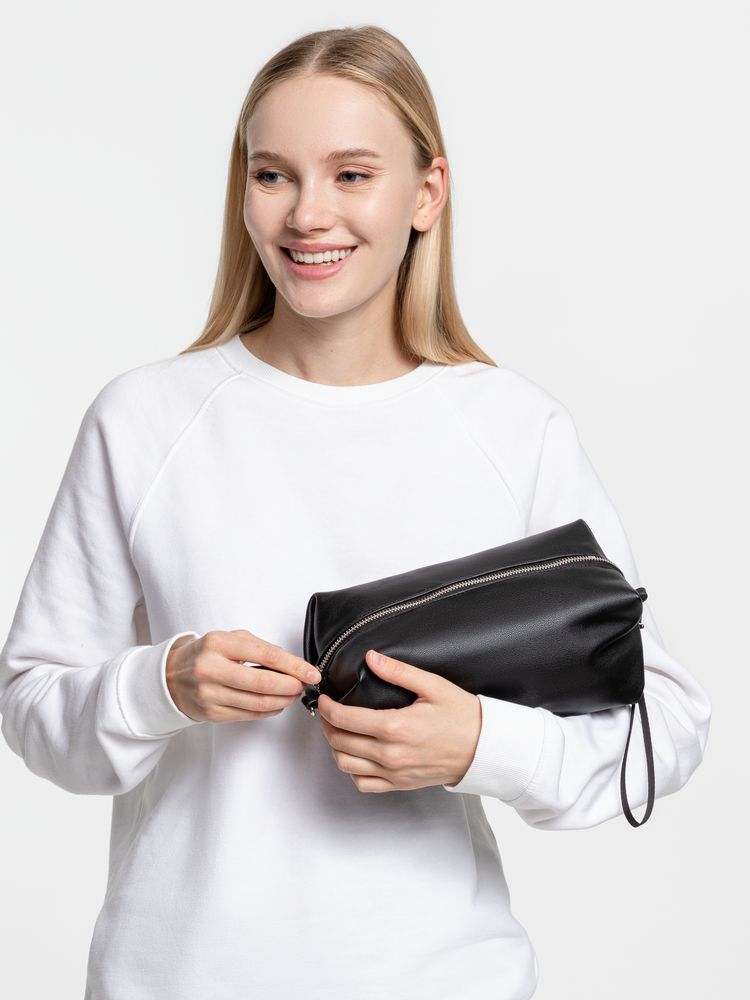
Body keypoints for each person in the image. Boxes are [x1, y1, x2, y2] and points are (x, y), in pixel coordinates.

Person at [0, 24, 711, 1000]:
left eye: (351, 174)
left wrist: (481, 745)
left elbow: (661, 725)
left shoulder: (513, 430)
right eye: (273, 175)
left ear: (426, 193)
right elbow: (32, 704)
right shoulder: (144, 420)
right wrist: (159, 685)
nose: (307, 214)